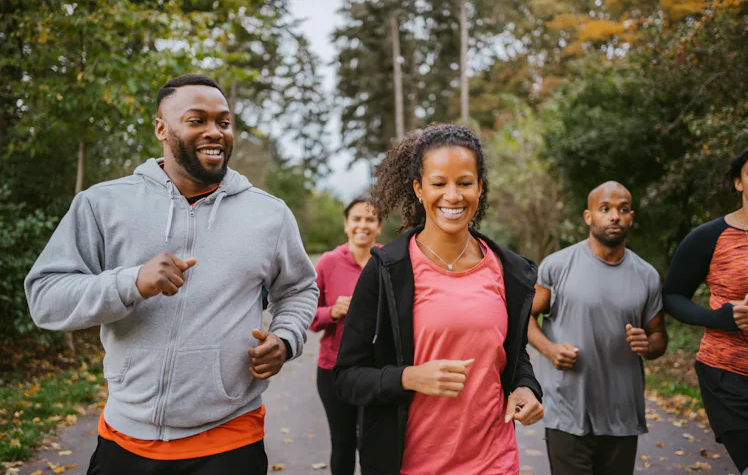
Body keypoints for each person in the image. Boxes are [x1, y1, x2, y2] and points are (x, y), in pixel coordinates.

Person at [25, 74, 318, 475]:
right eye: (197, 120)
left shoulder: (269, 214)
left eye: (224, 122)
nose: (215, 131)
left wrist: (285, 338)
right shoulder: (103, 204)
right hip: (125, 439)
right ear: (161, 128)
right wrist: (130, 283)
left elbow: (300, 288)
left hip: (230, 438)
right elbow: (45, 298)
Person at [333, 124, 544, 475]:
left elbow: (511, 352)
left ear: (479, 187)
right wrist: (409, 377)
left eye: (464, 183)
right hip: (413, 464)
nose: (453, 196)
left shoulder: (508, 270)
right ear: (418, 189)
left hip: (495, 460)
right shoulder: (387, 270)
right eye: (438, 183)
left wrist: (526, 386)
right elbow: (347, 377)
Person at [528, 181, 667, 475]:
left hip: (622, 416)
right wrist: (550, 350)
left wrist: (649, 344)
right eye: (605, 209)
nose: (614, 216)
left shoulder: (647, 276)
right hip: (567, 412)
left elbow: (659, 338)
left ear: (631, 217)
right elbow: (524, 319)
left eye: (623, 209)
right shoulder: (557, 265)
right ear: (588, 216)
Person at [662, 148, 748, 475]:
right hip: (729, 375)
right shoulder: (710, 237)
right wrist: (719, 318)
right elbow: (673, 296)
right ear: (738, 183)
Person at [310, 195, 383, 475]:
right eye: (357, 219)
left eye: (370, 219)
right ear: (346, 224)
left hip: (378, 370)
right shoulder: (328, 263)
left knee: (373, 444)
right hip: (334, 370)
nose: (362, 225)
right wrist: (333, 312)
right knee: (343, 443)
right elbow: (308, 316)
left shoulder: (388, 261)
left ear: (378, 226)